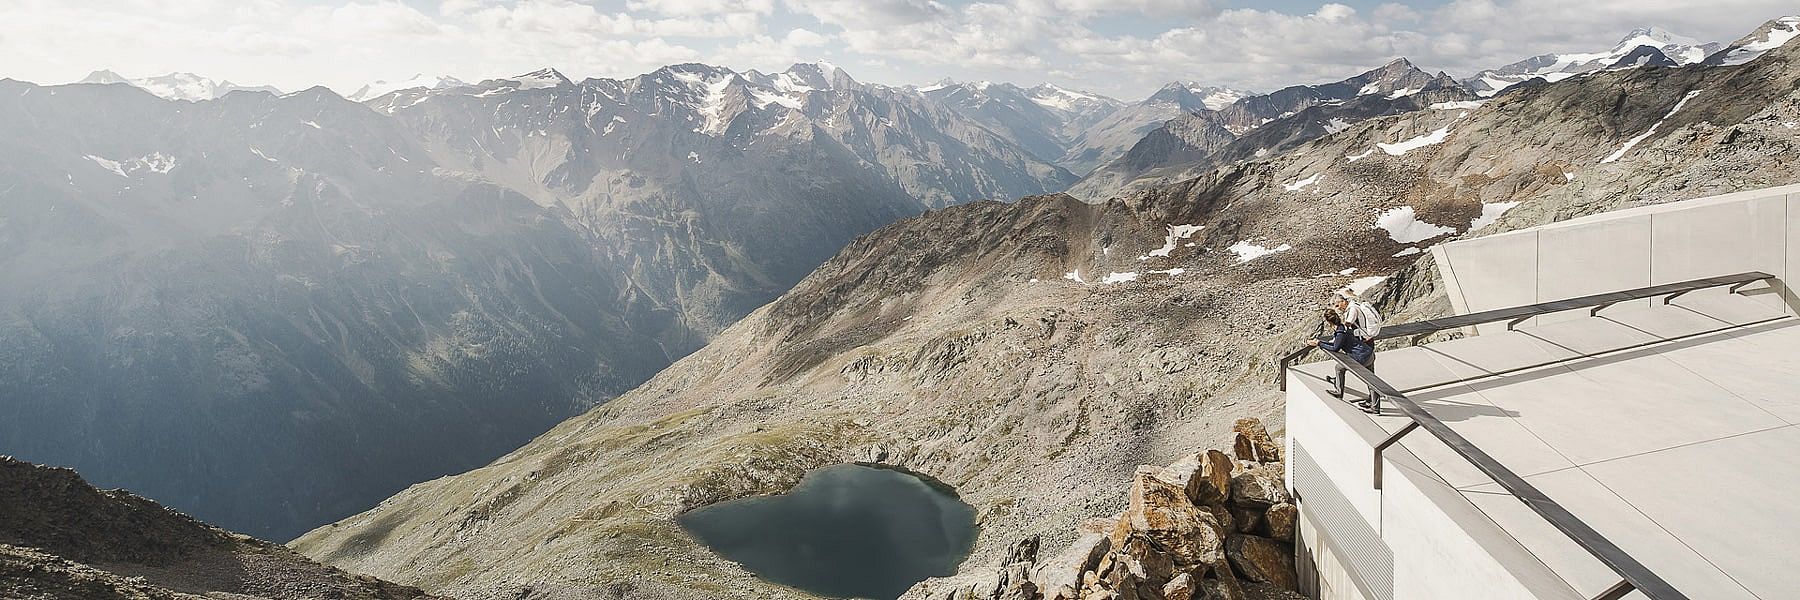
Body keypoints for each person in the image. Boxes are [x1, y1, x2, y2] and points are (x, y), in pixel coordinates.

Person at [1312, 299, 1381, 413]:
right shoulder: (1344, 327)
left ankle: (1339, 391)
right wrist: (1322, 343)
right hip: (1369, 353)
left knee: (1339, 368)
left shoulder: (1340, 331)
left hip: (1361, 357)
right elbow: (1336, 342)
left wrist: (1319, 343)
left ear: (1329, 323)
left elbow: (1335, 347)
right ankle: (1375, 406)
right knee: (1371, 380)